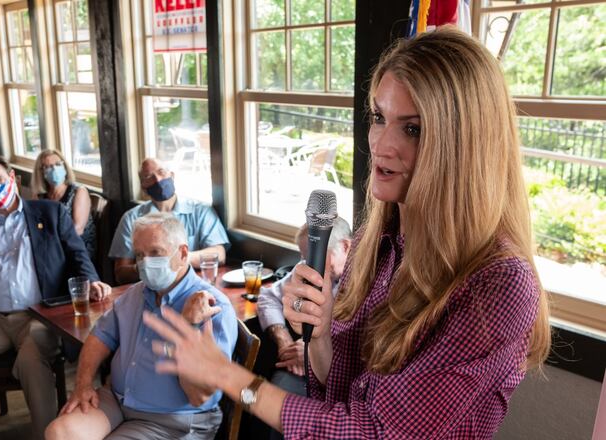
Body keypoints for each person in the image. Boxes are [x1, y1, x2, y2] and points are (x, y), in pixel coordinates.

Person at [142, 27, 551, 439]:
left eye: (413, 129)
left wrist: (233, 381)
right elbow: (340, 390)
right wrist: (319, 337)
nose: (381, 144)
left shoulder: (499, 283)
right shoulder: (377, 246)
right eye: (379, 117)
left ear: (466, 145)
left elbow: (372, 430)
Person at [0, 155, 111, 440]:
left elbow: (77, 253)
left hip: (39, 317)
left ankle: (46, 435)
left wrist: (92, 281)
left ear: (13, 179)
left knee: (30, 359)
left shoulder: (50, 213)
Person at [45, 212, 238, 440]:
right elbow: (100, 336)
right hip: (118, 400)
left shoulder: (213, 308)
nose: (145, 263)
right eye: (139, 255)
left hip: (172, 420)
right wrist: (83, 384)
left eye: (155, 252)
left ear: (183, 253)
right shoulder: (136, 293)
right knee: (59, 433)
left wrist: (186, 327)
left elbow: (198, 396)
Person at [256, 218, 351, 398]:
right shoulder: (309, 267)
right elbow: (268, 297)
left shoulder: (371, 277)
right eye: (304, 256)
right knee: (271, 393)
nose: (309, 263)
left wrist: (311, 352)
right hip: (301, 363)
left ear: (345, 246)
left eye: (316, 254)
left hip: (346, 375)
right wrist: (283, 339)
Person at [109, 158, 229, 284]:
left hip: (191, 284)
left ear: (172, 176)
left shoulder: (201, 211)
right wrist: (146, 268)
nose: (158, 180)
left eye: (161, 172)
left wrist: (180, 259)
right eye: (149, 177)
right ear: (143, 187)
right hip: (149, 288)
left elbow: (219, 254)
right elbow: (120, 273)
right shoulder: (131, 219)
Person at [33, 149, 96, 256]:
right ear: (41, 173)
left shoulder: (78, 191)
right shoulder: (40, 197)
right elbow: (35, 225)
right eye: (47, 167)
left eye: (58, 164)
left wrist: (50, 245)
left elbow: (78, 229)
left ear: (65, 167)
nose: (54, 169)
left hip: (77, 250)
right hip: (50, 248)